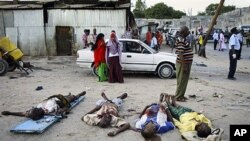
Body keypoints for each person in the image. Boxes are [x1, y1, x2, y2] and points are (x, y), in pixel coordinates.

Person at [1, 91, 86, 120]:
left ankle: (78, 95)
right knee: (71, 97)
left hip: (58, 99)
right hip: (58, 100)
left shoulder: (42, 110)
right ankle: (78, 95)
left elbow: (22, 114)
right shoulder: (44, 110)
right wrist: (9, 113)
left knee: (71, 97)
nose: (29, 112)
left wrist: (10, 113)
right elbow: (24, 114)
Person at [174, 26, 193, 102]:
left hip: (185, 63)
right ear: (184, 32)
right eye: (187, 30)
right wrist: (184, 66)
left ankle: (181, 95)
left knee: (183, 80)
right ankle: (178, 97)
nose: (188, 31)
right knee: (182, 80)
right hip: (183, 63)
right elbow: (181, 53)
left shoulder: (183, 39)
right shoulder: (181, 40)